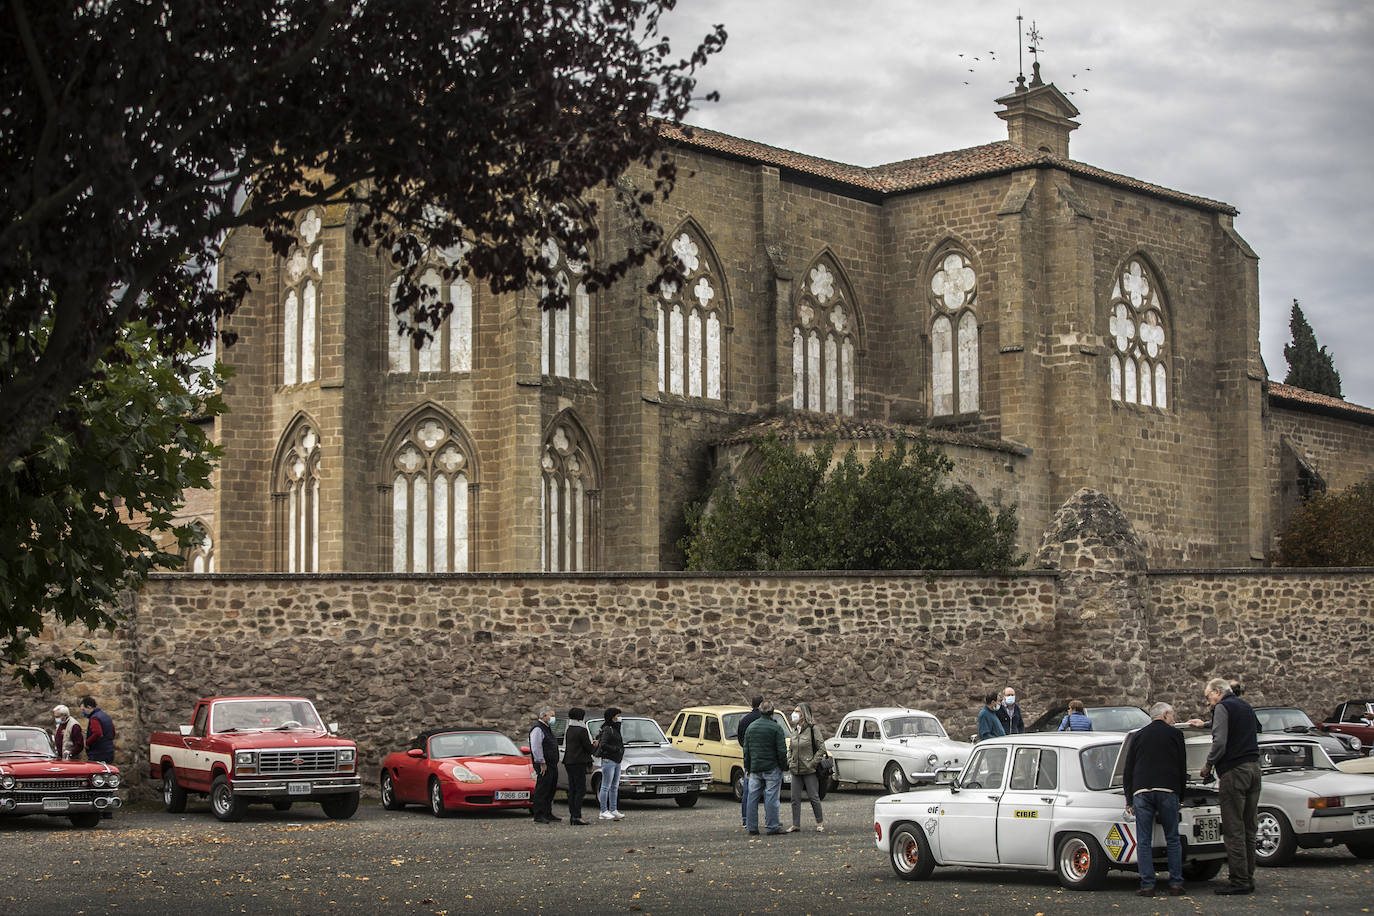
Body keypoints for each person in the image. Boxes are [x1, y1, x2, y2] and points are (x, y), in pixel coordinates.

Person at [1199, 677, 1261, 895]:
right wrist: (1206, 724)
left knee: (1234, 828)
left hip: (1234, 770)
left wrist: (1208, 765)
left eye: (1208, 698)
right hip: (1254, 768)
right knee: (1249, 827)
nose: (1209, 703)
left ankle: (1239, 881)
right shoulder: (1245, 705)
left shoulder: (1222, 707)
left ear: (1217, 691)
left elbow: (1220, 741)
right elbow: (1255, 728)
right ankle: (1248, 876)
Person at [1123, 702, 1187, 897]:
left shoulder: (1138, 735)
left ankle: (1147, 884)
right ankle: (1175, 883)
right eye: (1172, 715)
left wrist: (1129, 799)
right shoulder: (1175, 734)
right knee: (1172, 838)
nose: (1174, 719)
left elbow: (1129, 768)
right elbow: (1181, 766)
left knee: (1143, 840)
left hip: (1142, 789)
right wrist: (1181, 796)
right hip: (1167, 789)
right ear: (1165, 714)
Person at [742, 701, 788, 835]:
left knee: (752, 798)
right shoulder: (776, 728)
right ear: (772, 712)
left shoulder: (751, 727)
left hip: (755, 768)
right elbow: (781, 750)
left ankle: (752, 827)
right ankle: (772, 826)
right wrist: (784, 766)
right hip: (772, 767)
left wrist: (748, 768)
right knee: (771, 798)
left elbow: (747, 751)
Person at [786, 702, 825, 833]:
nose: (794, 714)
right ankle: (795, 824)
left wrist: (812, 763)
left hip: (808, 769)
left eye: (797, 711)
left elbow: (821, 748)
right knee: (794, 798)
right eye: (794, 711)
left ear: (803, 714)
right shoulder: (794, 729)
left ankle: (819, 822)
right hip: (795, 769)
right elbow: (790, 748)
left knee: (813, 797)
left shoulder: (813, 729)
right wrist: (789, 760)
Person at [528, 706, 561, 824]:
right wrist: (541, 762)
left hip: (552, 763)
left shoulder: (547, 728)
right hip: (544, 764)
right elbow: (536, 747)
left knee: (551, 788)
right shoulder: (538, 729)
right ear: (544, 716)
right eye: (551, 715)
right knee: (542, 789)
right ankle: (539, 814)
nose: (553, 718)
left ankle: (548, 812)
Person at [735, 696, 764, 828]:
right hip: (765, 758)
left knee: (748, 791)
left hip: (749, 757)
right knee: (769, 791)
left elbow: (741, 739)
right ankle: (770, 819)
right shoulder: (766, 719)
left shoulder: (744, 720)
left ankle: (746, 819)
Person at [562, 707, 593, 826]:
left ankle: (573, 815)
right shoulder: (581, 730)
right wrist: (595, 746)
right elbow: (588, 747)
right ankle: (577, 816)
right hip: (578, 762)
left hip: (569, 762)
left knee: (572, 789)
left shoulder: (570, 729)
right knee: (580, 790)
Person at [594, 707, 625, 820]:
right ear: (612, 717)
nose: (619, 718)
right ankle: (603, 810)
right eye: (617, 716)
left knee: (614, 786)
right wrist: (615, 749)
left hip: (616, 760)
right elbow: (603, 744)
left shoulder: (615, 728)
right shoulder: (607, 729)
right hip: (609, 760)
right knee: (605, 786)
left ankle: (613, 809)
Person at [79, 696, 115, 763]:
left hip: (98, 753)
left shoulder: (94, 718)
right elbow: (113, 732)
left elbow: (97, 733)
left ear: (89, 707)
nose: (83, 712)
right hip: (109, 751)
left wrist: (87, 743)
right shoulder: (106, 716)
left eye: (83, 710)